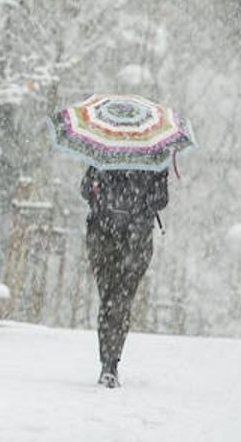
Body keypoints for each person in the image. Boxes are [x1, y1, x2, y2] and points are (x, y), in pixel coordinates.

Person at [79, 165, 169, 388]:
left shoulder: (104, 151)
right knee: (118, 300)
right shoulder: (153, 157)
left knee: (111, 299)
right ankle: (110, 363)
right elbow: (160, 199)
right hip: (129, 238)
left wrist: (103, 196)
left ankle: (108, 362)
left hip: (108, 235)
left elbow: (85, 191)